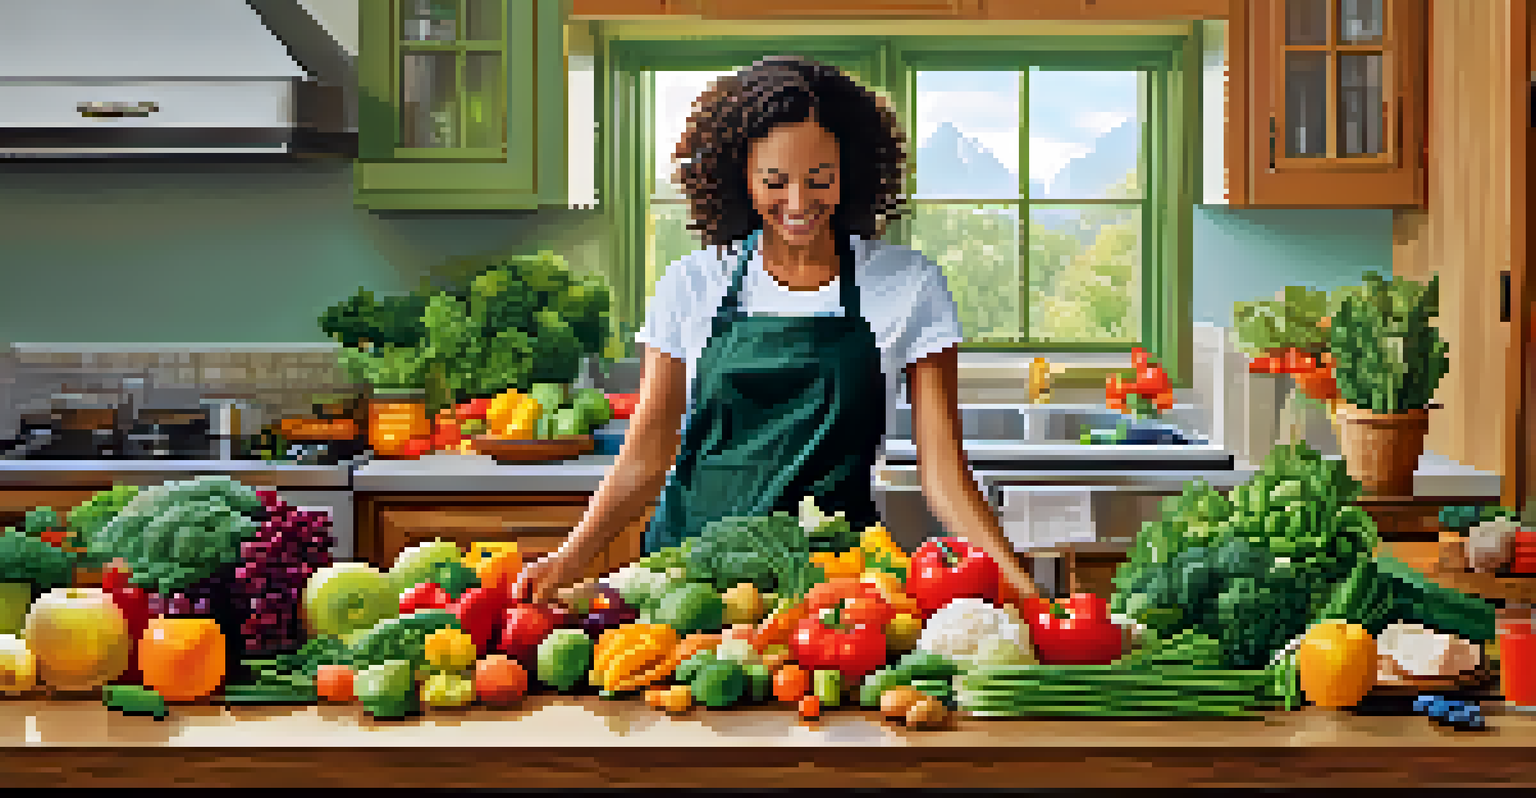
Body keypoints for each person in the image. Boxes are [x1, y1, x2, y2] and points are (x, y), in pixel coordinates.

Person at [512, 55, 1038, 605]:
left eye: (819, 180)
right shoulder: (692, 285)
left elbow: (946, 477)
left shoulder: (908, 287)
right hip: (687, 585)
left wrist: (1017, 582)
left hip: (831, 596)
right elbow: (645, 456)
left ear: (851, 173)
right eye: (774, 181)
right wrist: (567, 558)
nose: (797, 203)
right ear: (739, 174)